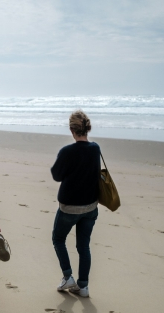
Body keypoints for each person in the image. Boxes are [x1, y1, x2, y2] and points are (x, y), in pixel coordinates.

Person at [51, 110, 100, 298]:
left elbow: (56, 175)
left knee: (58, 239)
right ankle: (84, 286)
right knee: (83, 246)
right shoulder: (95, 148)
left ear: (72, 129)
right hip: (90, 206)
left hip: (69, 207)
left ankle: (67, 276)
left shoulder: (67, 151)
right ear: (87, 128)